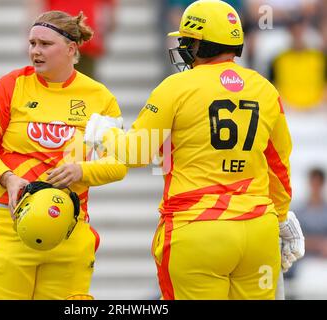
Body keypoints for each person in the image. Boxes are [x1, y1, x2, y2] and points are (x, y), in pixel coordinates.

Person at [49, 0, 305, 299]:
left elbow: (137, 153)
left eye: (187, 40)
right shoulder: (265, 89)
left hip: (197, 228)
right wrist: (282, 215)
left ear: (201, 43)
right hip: (257, 228)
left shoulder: (176, 87)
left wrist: (104, 134)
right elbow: (278, 163)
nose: (183, 46)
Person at [0, 10, 127, 300]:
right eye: (32, 43)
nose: (35, 51)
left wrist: (82, 172)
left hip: (68, 229)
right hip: (7, 225)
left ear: (71, 49)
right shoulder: (9, 86)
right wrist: (8, 178)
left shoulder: (99, 97)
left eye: (45, 44)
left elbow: (118, 164)